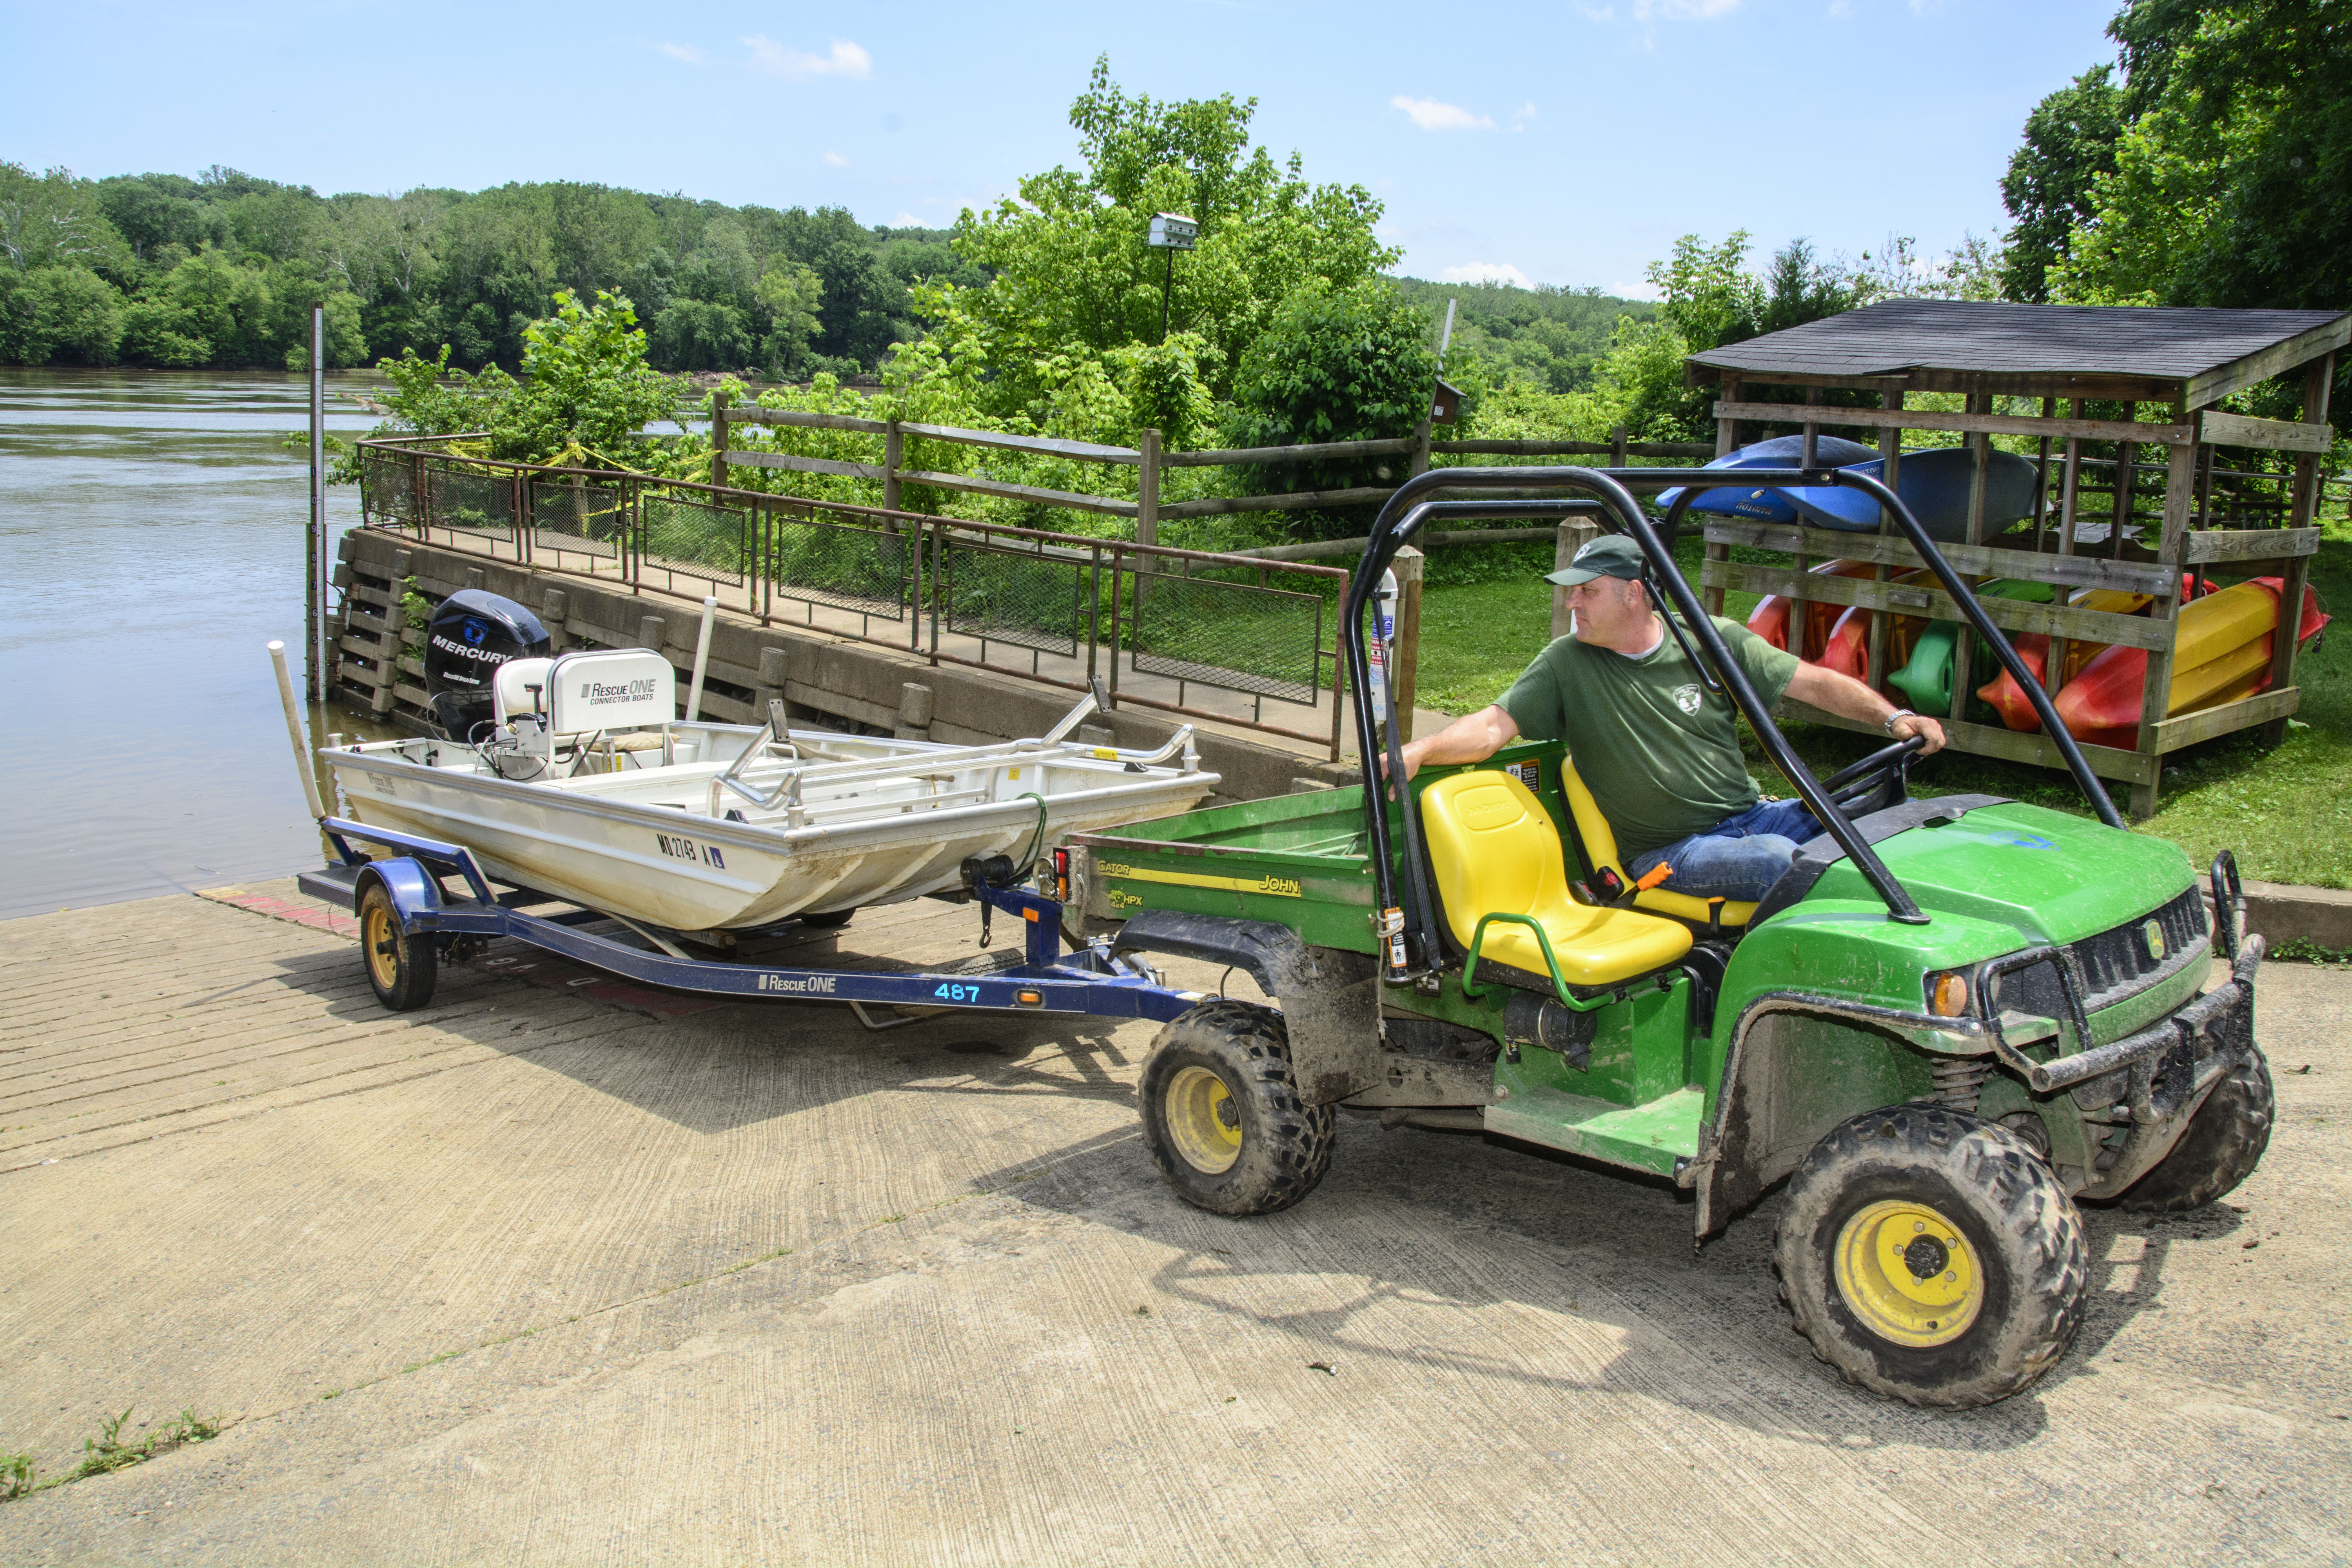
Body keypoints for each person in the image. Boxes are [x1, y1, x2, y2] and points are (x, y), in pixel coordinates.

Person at [1391, 535, 1946, 906]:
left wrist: (1894, 715)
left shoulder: (1710, 641)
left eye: (1589, 592)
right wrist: (1420, 751)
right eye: (1573, 593)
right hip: (1675, 853)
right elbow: (1491, 728)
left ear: (1634, 594)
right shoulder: (1567, 662)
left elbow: (1813, 682)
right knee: (1783, 863)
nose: (1574, 606)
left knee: (1886, 814)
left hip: (1755, 818)